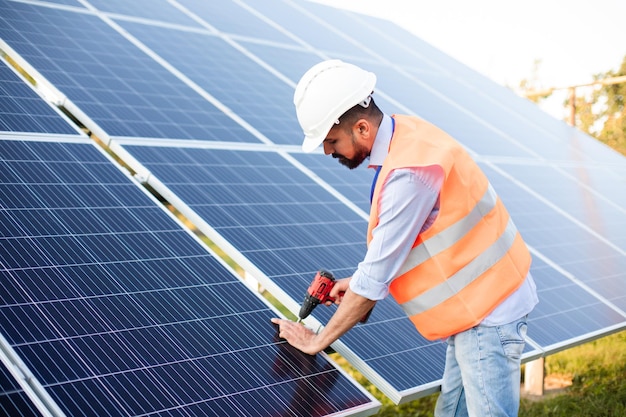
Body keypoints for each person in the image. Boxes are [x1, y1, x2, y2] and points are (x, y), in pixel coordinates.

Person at [271, 59, 538, 417]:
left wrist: (317, 341)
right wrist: (356, 283)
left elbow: (374, 280)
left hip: (488, 314)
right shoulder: (408, 134)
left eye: (332, 140)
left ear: (362, 128)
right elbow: (421, 240)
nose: (327, 151)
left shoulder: (408, 174)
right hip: (477, 307)